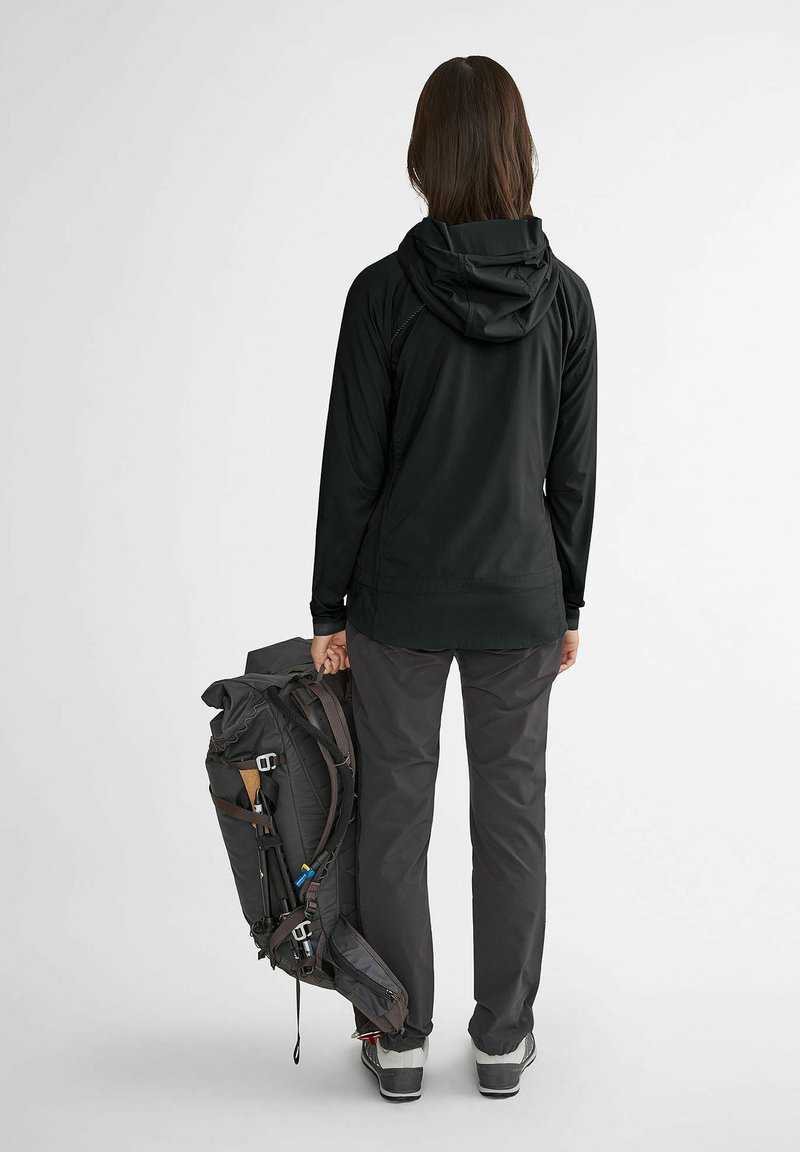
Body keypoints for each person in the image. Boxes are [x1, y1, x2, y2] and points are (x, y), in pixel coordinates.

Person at [308, 55, 597, 1102]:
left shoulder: (382, 295)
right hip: (521, 597)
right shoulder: (565, 300)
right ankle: (503, 1040)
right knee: (511, 819)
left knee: (393, 816)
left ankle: (396, 1037)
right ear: (519, 153)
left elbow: (351, 466)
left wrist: (328, 606)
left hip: (398, 601)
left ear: (423, 156)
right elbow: (572, 472)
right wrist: (567, 599)